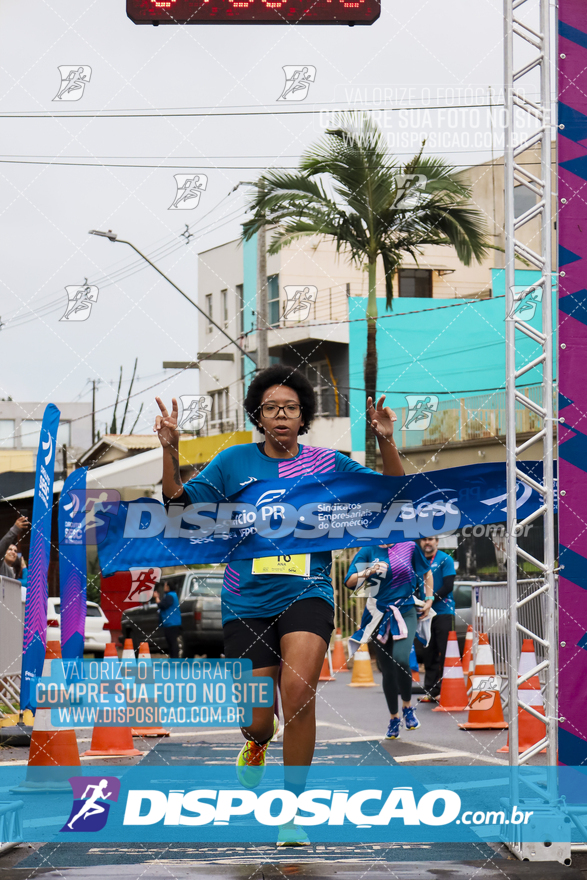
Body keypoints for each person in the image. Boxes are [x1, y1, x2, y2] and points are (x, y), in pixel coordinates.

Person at [154, 364, 403, 846]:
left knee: (299, 693)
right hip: (246, 600)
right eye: (272, 407)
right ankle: (256, 743)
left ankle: (291, 810)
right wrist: (170, 449)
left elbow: (392, 493)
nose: (282, 414)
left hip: (307, 591)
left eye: (290, 407)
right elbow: (178, 506)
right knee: (257, 718)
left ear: (303, 414)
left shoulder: (326, 463)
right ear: (259, 416)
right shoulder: (233, 462)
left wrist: (386, 440)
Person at [344, 542, 433, 740]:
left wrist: (429, 599)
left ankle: (408, 708)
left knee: (401, 658)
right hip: (378, 614)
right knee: (386, 670)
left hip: (406, 609)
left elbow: (426, 572)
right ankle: (394, 718)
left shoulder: (409, 545)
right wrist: (370, 570)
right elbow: (349, 581)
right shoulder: (369, 549)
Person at [418, 536, 456, 702]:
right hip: (424, 614)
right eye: (424, 539)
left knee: (445, 651)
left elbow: (448, 586)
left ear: (437, 542)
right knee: (429, 652)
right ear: (420, 542)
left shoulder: (445, 559)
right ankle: (431, 691)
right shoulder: (416, 561)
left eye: (431, 539)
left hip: (443, 612)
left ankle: (449, 689)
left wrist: (429, 600)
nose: (428, 542)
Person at [154, 581, 183, 658]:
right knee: (171, 643)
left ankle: (174, 659)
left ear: (169, 587)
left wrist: (156, 597)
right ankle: (173, 659)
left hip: (171, 623)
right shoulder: (171, 595)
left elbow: (162, 605)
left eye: (165, 586)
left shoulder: (170, 596)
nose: (164, 587)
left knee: (172, 643)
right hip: (171, 623)